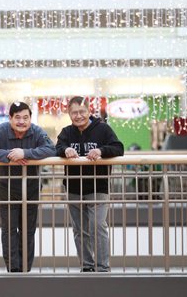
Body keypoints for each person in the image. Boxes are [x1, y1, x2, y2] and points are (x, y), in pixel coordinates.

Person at [0, 102, 55, 272]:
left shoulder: (37, 131)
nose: (22, 121)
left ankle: (25, 269)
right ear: (10, 118)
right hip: (7, 188)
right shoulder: (0, 131)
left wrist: (26, 153)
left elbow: (51, 149)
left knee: (28, 231)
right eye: (17, 117)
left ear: (30, 118)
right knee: (9, 230)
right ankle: (13, 269)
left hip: (32, 188)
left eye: (25, 117)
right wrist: (9, 155)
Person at [56, 96, 124, 272]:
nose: (78, 116)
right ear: (69, 114)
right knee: (79, 230)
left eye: (82, 111)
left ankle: (102, 266)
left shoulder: (103, 129)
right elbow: (56, 148)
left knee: (97, 226)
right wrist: (65, 150)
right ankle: (86, 265)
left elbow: (118, 147)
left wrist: (101, 150)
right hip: (73, 188)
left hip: (98, 187)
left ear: (89, 111)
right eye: (74, 112)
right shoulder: (66, 132)